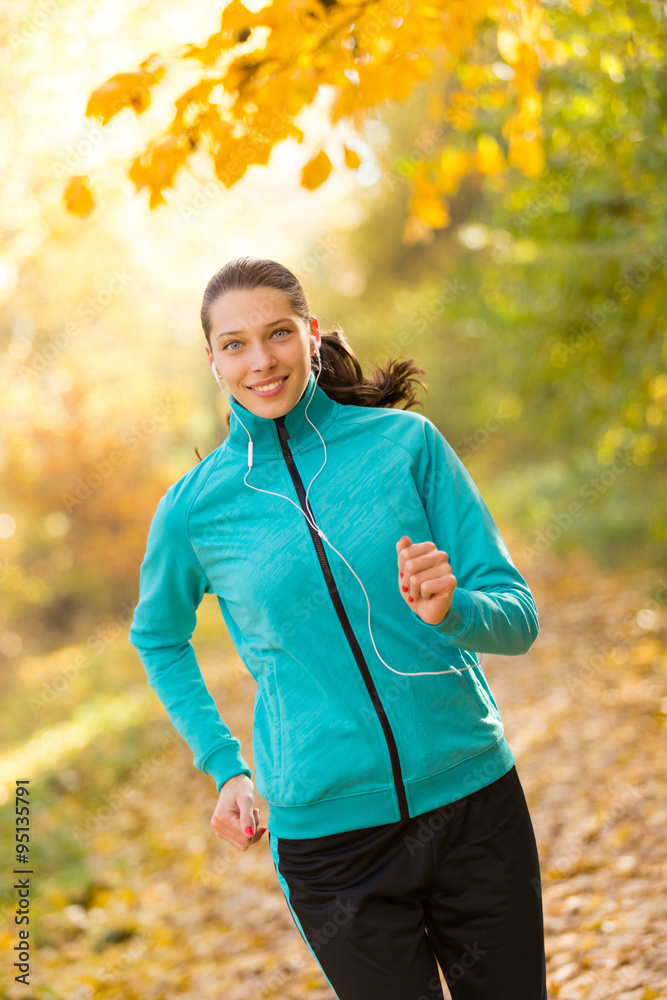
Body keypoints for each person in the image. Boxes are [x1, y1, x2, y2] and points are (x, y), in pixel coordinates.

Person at [128, 256, 547, 1000]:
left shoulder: (404, 446)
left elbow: (516, 620)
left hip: (472, 805)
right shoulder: (194, 510)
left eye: (277, 334)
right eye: (234, 344)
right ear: (212, 359)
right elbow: (158, 636)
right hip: (329, 843)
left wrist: (453, 610)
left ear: (310, 334)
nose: (261, 361)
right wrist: (223, 764)